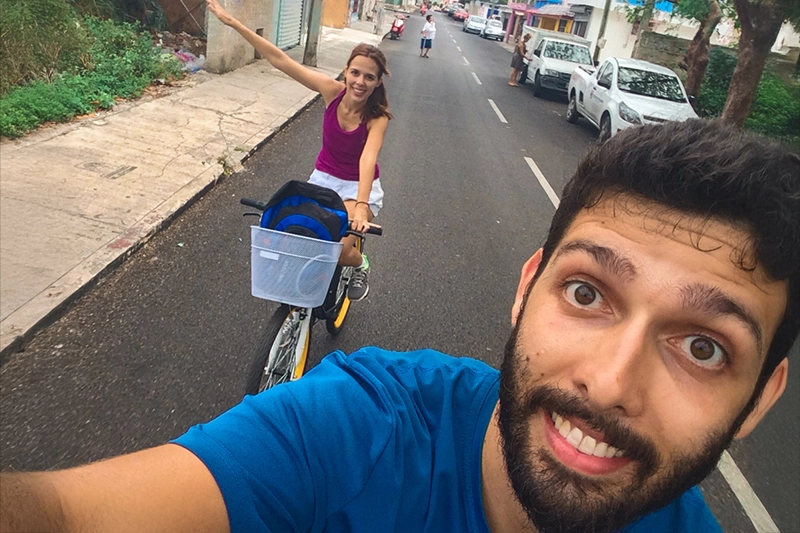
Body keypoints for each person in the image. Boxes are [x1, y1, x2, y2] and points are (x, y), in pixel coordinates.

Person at [1, 119, 799, 532]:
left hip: (352, 195)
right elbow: (75, 514)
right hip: (318, 188)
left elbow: (369, 165)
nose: (612, 382)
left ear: (761, 397)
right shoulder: (359, 422)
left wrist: (360, 202)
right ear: (528, 288)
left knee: (350, 239)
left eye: (703, 346)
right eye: (587, 293)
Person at [206, 0, 392, 301]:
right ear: (345, 72)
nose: (360, 82)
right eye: (355, 73)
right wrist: (233, 23)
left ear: (377, 81)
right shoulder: (332, 92)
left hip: (358, 186)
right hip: (323, 178)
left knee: (342, 251)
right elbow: (280, 60)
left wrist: (360, 205)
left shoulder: (377, 116)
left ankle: (361, 265)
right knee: (300, 235)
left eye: (369, 77)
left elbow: (368, 158)